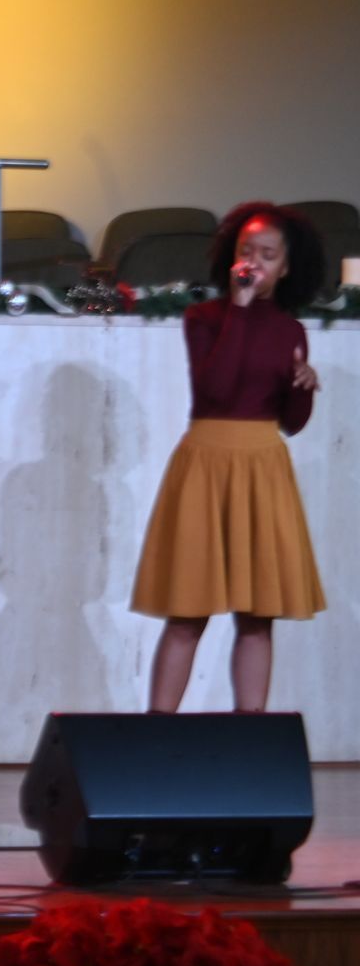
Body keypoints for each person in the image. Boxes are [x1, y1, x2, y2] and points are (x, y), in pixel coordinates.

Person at [133, 201, 325, 713]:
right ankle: (158, 730)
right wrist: (238, 309)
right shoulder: (204, 318)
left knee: (258, 617)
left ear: (286, 267)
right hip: (207, 463)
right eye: (247, 250)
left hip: (262, 467)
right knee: (188, 612)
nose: (254, 263)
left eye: (267, 255)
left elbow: (292, 422)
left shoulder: (290, 331)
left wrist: (303, 388)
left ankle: (251, 732)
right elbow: (216, 389)